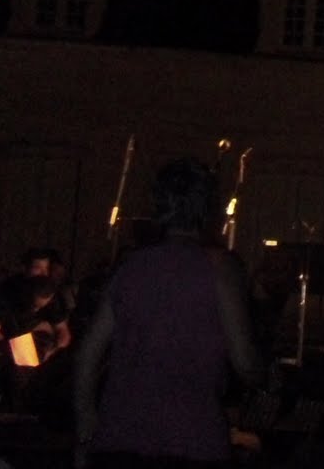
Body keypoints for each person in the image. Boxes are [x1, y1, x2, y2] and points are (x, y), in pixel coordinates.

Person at [73, 156, 264, 468]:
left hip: (120, 439)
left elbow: (88, 356)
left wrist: (85, 430)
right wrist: (263, 375)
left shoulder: (130, 266)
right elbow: (244, 361)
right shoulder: (221, 270)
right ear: (208, 208)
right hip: (192, 440)